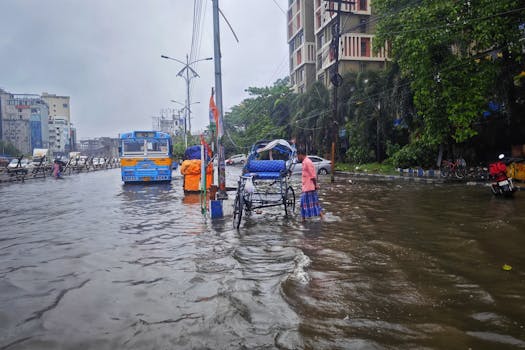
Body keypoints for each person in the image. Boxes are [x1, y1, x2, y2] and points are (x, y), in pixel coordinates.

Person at [298, 147, 324, 221]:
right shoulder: (305, 162)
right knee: (307, 204)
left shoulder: (307, 162)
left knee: (313, 204)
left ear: (300, 155)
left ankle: (322, 217)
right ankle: (303, 219)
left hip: (309, 188)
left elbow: (313, 175)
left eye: (297, 155)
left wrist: (315, 185)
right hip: (306, 187)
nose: (297, 157)